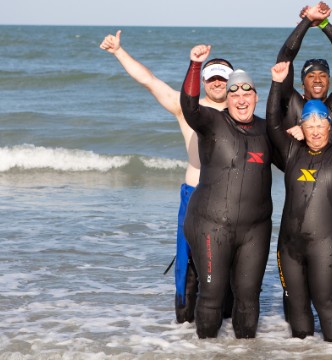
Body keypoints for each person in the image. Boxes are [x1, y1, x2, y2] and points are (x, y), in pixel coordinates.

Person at [99, 30, 234, 324]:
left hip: (230, 201)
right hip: (195, 195)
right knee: (188, 266)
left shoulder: (242, 112)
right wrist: (119, 52)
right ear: (203, 81)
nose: (217, 83)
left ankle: (227, 341)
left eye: (223, 78)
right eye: (212, 78)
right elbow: (149, 81)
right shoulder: (187, 109)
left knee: (229, 268)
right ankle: (182, 332)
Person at [267, 61, 332, 341]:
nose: (315, 129)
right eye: (308, 123)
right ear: (301, 127)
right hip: (289, 246)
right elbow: (273, 122)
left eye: (320, 122)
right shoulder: (290, 153)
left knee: (327, 304)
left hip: (328, 246)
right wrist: (276, 84)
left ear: (329, 125)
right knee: (297, 307)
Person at [180, 44, 274, 339]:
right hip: (210, 224)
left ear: (257, 97)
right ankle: (207, 352)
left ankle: (245, 353)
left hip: (255, 230)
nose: (242, 100)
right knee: (211, 294)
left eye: (248, 94)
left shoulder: (268, 130)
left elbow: (301, 159)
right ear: (227, 99)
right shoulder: (212, 123)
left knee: (248, 297)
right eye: (235, 94)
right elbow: (189, 106)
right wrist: (195, 65)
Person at [276, 2, 332, 143]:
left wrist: (323, 23)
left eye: (322, 75)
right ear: (302, 84)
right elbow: (284, 59)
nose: (317, 80)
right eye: (311, 76)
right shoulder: (292, 104)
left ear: (328, 81)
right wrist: (307, 20)